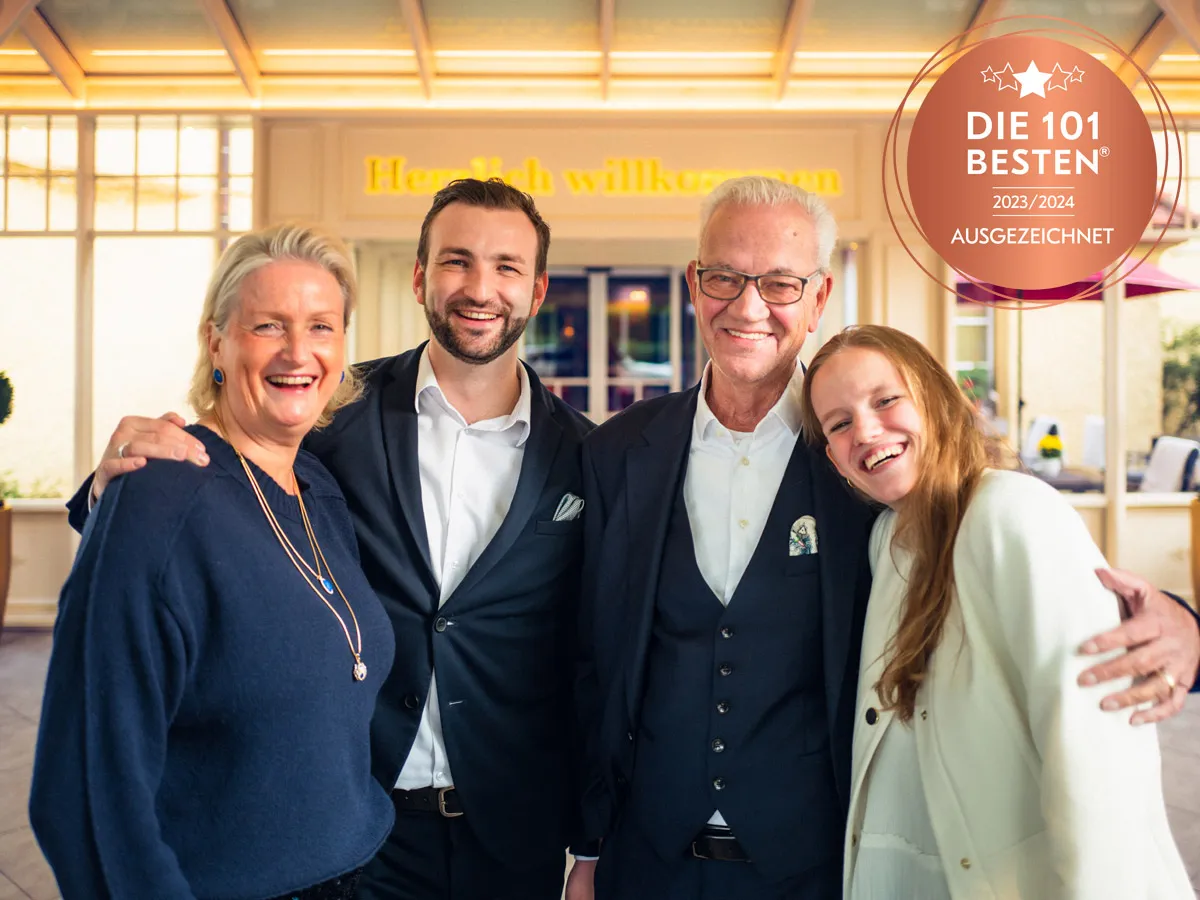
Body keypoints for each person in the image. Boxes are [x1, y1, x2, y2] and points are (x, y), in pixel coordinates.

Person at [570, 175, 1200, 900]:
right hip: (647, 858)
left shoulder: (866, 466)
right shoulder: (617, 454)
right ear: (694, 283)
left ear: (817, 297)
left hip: (817, 860)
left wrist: (1184, 623)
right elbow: (595, 658)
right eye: (725, 278)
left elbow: (1032, 573)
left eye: (779, 283)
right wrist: (587, 847)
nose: (748, 306)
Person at [66, 179, 594, 900]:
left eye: (506, 267)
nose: (479, 287)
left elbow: (594, 651)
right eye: (455, 261)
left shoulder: (588, 457)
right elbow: (223, 472)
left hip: (512, 832)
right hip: (355, 830)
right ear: (419, 277)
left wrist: (591, 840)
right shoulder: (329, 411)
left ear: (536, 292)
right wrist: (108, 487)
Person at [30, 223, 396, 899]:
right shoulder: (159, 495)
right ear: (216, 341)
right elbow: (81, 785)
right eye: (268, 326)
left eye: (321, 326)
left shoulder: (319, 488)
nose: (298, 351)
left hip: (353, 877)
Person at [802, 324, 1193, 898]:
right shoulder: (886, 539)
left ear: (937, 397)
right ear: (834, 458)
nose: (865, 429)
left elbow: (1094, 743)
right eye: (839, 423)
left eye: (886, 399)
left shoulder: (1013, 513)